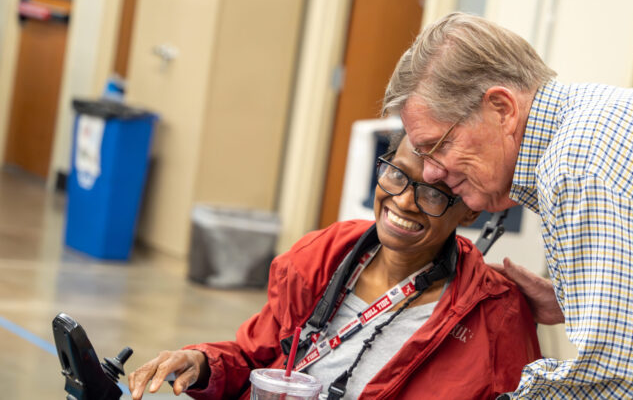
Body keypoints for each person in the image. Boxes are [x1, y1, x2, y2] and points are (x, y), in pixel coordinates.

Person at [381, 12, 633, 400]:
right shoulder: (589, 124)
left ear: (501, 108)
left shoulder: (579, 162)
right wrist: (571, 296)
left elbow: (616, 382)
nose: (430, 172)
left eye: (439, 146)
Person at [127, 131, 541, 400]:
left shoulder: (496, 316)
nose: (403, 201)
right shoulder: (325, 254)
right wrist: (202, 363)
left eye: (433, 194)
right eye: (397, 175)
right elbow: (256, 358)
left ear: (468, 211)